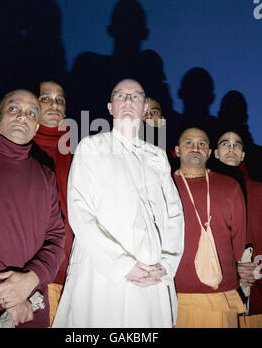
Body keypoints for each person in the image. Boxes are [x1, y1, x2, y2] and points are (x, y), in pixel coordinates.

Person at [52, 78, 184, 328]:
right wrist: (122, 264)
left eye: (136, 96)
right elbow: (80, 212)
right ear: (110, 107)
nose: (128, 101)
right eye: (120, 95)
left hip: (151, 273)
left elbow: (174, 215)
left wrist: (165, 265)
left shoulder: (157, 157)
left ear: (145, 108)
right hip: (101, 272)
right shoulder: (90, 147)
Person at [0, 89, 65, 328]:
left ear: (37, 127)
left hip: (33, 307)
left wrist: (33, 278)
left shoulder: (46, 175)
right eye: (14, 109)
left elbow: (56, 236)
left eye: (31, 113)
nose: (22, 116)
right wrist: (11, 292)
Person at [173, 127, 246, 328]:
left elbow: (239, 241)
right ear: (177, 150)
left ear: (209, 151)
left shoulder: (230, 186)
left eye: (202, 143)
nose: (195, 147)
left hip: (220, 292)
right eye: (189, 142)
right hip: (174, 291)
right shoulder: (163, 184)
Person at [32, 79, 73, 326]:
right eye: (46, 98)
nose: (54, 104)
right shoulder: (16, 146)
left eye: (60, 100)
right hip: (29, 269)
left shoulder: (80, 150)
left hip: (71, 267)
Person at [214, 130, 262, 328]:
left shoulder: (259, 191)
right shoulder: (201, 190)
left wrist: (257, 270)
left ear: (243, 154)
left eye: (237, 144)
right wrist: (232, 270)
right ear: (215, 153)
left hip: (255, 291)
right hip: (215, 292)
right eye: (225, 143)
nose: (232, 147)